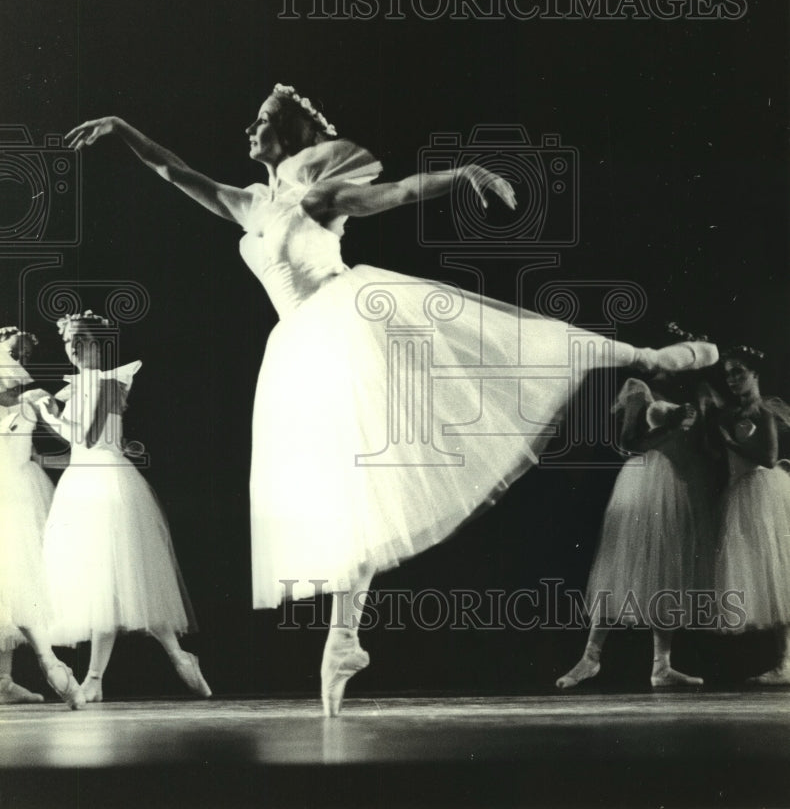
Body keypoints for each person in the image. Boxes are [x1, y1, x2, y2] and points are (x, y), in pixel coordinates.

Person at [66, 84, 718, 715]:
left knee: (496, 352)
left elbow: (401, 191)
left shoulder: (320, 196)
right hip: (298, 346)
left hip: (345, 321)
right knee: (342, 492)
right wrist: (123, 130)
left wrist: (463, 174)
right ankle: (345, 637)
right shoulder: (250, 202)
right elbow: (176, 173)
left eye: (261, 120)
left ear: (289, 136)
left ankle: (644, 357)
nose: (248, 129)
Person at [40, 311, 211, 702]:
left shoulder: (113, 381)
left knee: (122, 581)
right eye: (69, 341)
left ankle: (171, 658)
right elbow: (75, 454)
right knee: (100, 585)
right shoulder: (72, 389)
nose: (74, 348)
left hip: (109, 485)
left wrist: (47, 416)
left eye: (81, 339)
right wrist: (36, 460)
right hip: (81, 485)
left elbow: (88, 437)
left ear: (98, 343)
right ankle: (104, 677)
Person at [556, 372, 717, 690]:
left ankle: (662, 666)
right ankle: (590, 657)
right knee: (622, 565)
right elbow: (626, 443)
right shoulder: (639, 389)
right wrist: (671, 427)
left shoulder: (687, 391)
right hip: (644, 480)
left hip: (674, 482)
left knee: (663, 569)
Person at [0, 327, 85, 710]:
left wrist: (85, 460)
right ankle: (29, 669)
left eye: (24, 354)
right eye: (12, 351)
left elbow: (69, 437)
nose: (19, 359)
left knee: (20, 580)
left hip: (20, 491)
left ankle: (10, 677)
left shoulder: (34, 397)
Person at [708, 346, 790, 685]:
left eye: (739, 371)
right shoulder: (730, 412)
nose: (733, 379)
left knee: (779, 573)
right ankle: (783, 661)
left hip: (763, 491)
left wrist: (731, 442)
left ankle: (786, 662)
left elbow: (769, 458)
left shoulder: (764, 412)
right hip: (740, 492)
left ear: (755, 374)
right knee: (764, 576)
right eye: (728, 373)